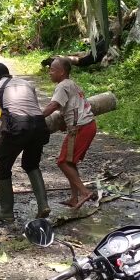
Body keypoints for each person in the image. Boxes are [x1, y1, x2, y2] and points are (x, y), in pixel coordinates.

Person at [0, 63, 51, 221]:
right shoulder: (27, 84)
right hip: (39, 125)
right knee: (31, 164)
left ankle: (6, 211)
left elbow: (0, 120)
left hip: (18, 126)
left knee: (3, 165)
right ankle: (43, 205)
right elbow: (34, 107)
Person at [43, 57, 97, 209]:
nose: (49, 72)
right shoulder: (71, 83)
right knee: (70, 161)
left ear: (61, 72)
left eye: (52, 70)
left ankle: (84, 192)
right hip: (87, 125)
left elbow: (53, 105)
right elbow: (70, 108)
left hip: (80, 128)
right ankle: (74, 198)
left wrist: (36, 117)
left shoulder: (62, 86)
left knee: (63, 162)